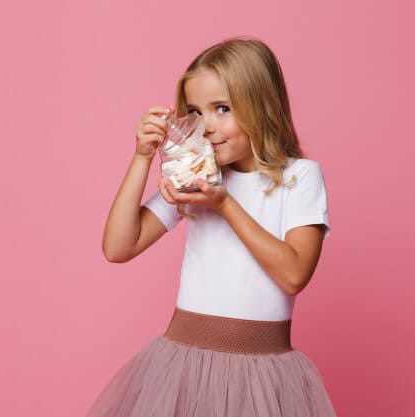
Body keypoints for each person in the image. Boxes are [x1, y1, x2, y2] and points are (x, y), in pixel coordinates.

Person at [87, 37, 337, 417]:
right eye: (195, 113)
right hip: (183, 366)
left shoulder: (298, 177)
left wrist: (223, 203)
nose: (207, 127)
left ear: (262, 106)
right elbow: (119, 247)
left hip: (263, 376)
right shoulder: (197, 178)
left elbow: (293, 274)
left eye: (222, 109)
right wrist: (141, 157)